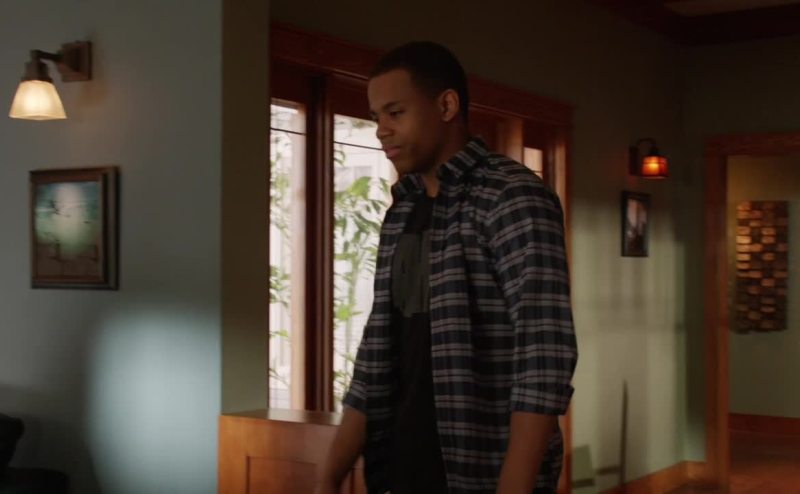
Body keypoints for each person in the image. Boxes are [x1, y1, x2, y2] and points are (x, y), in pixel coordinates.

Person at [315, 41, 578, 494]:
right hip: (399, 468)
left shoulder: (511, 196)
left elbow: (544, 357)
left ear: (446, 106)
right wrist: (329, 474)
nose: (381, 131)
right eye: (376, 117)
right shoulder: (403, 209)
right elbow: (378, 349)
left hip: (481, 469)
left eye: (395, 113)